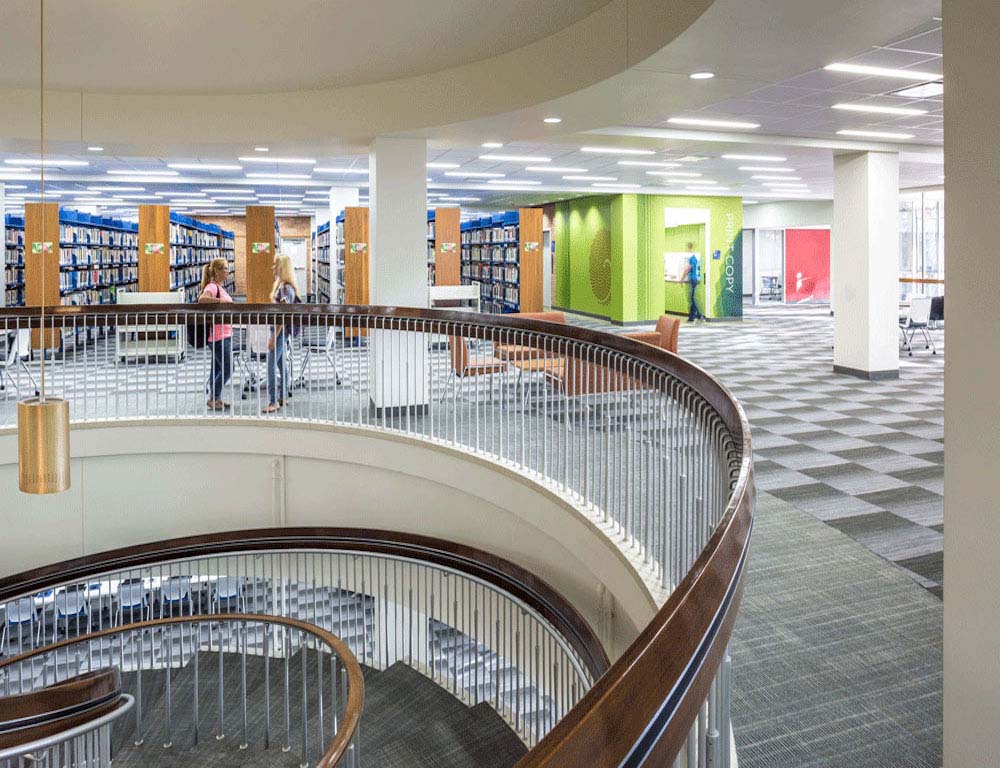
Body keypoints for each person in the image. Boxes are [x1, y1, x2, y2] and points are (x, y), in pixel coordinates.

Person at [264, 254, 300, 413]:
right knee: (281, 364)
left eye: (275, 265)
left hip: (280, 331)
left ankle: (273, 401)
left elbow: (283, 315)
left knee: (271, 364)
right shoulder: (284, 286)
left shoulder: (285, 288)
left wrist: (274, 336)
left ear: (282, 267)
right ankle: (283, 395)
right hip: (281, 331)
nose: (273, 268)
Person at [197, 258, 234, 411]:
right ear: (217, 271)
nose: (227, 271)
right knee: (228, 369)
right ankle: (214, 396)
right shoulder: (212, 287)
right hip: (218, 336)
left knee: (217, 368)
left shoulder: (219, 286)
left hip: (224, 334)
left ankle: (215, 398)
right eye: (225, 269)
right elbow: (202, 299)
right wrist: (220, 301)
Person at [681, 242, 704, 322]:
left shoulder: (691, 258)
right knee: (693, 298)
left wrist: (682, 279)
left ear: (689, 247)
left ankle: (695, 316)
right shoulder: (696, 258)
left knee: (692, 299)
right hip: (696, 279)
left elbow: (688, 269)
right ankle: (697, 315)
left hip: (693, 279)